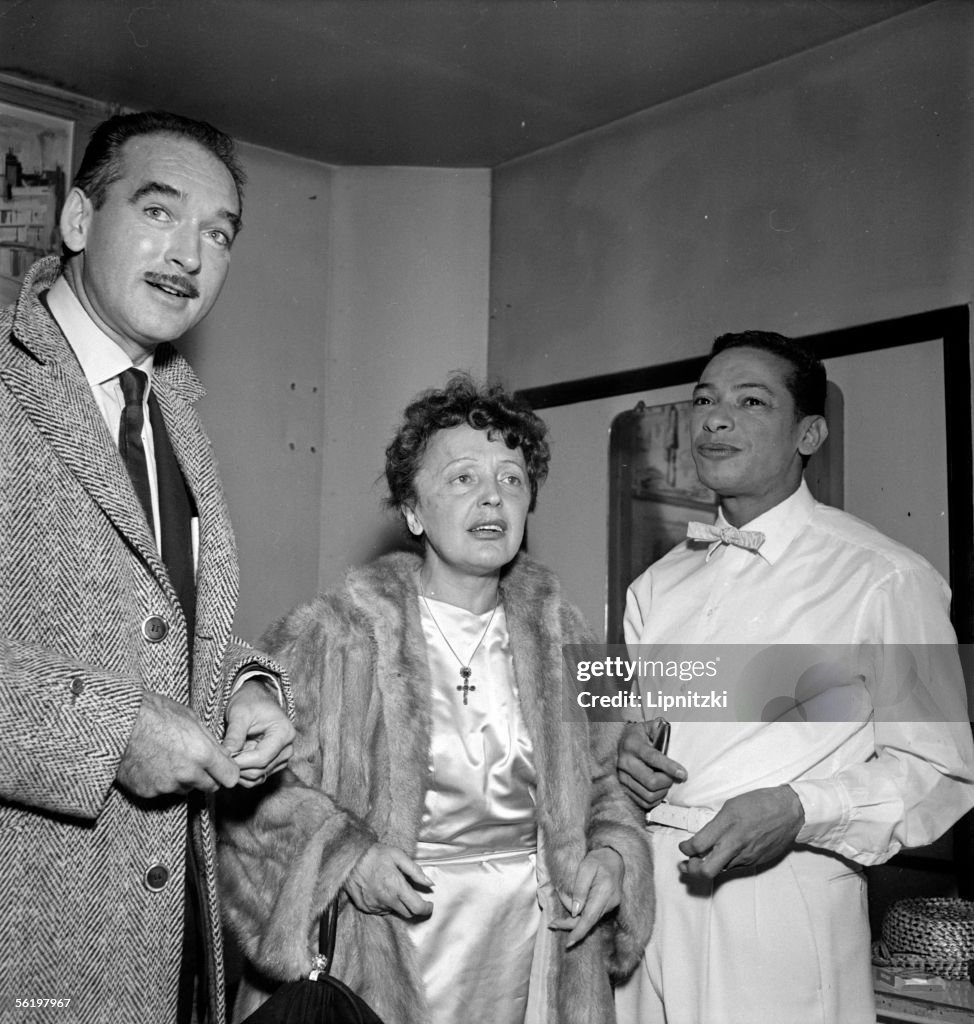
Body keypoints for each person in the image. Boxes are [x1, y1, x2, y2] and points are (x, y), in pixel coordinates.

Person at [219, 375, 654, 1024]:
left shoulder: (567, 636)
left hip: (534, 945)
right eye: (462, 478)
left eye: (511, 478)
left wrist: (612, 857)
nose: (492, 497)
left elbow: (604, 780)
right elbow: (252, 796)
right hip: (383, 947)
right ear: (414, 511)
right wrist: (345, 859)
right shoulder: (334, 635)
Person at [0, 111, 295, 1024]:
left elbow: (166, 619)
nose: (191, 255)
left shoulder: (175, 411)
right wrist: (107, 734)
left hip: (169, 936)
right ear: (79, 221)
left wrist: (245, 684)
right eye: (161, 211)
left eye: (219, 233)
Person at [613, 331, 974, 1024]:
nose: (716, 419)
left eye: (751, 401)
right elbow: (626, 733)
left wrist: (802, 809)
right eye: (704, 400)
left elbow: (942, 770)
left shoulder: (885, 577)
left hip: (778, 901)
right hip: (648, 894)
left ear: (809, 433)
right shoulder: (654, 587)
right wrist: (621, 755)